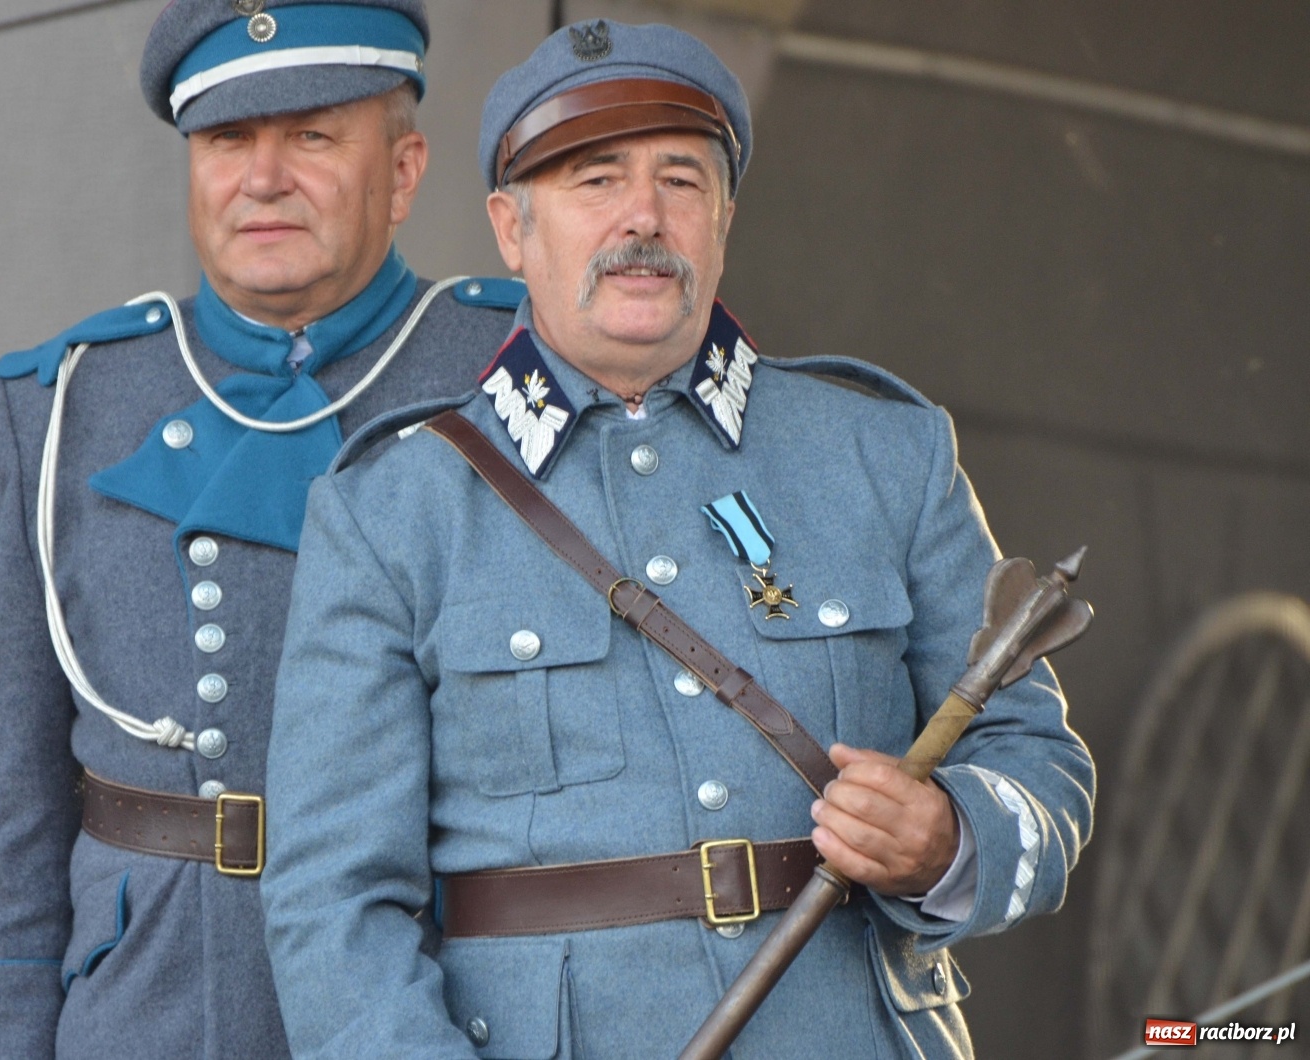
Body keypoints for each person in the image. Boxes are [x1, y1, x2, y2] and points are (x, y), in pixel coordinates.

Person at [261, 19, 1094, 1059]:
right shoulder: (393, 508)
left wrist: (949, 838)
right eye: (594, 181)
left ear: (724, 219)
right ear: (511, 229)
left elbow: (1037, 764)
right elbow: (331, 903)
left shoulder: (885, 451)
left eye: (681, 182)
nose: (642, 217)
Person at [0, 2, 518, 1057]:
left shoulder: (508, 370)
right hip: (153, 1005)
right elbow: (1, 807)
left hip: (445, 1001)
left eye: (312, 136)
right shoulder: (60, 401)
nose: (263, 178)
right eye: (226, 140)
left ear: (402, 170)